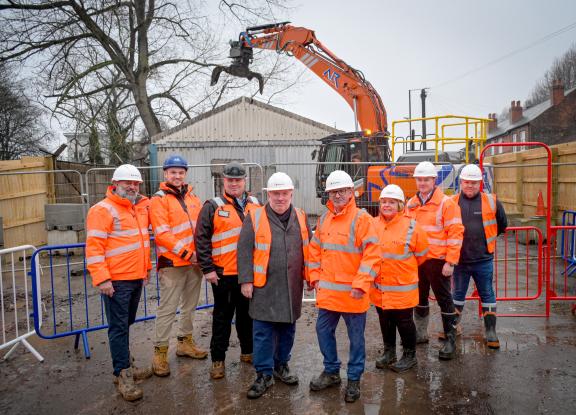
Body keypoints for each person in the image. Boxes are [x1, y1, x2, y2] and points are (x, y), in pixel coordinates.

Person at [308, 170, 380, 403]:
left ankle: (354, 378)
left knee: (356, 339)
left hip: (353, 294)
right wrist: (314, 277)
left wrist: (361, 284)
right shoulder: (324, 219)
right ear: (328, 194)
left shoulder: (362, 219)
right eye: (333, 191)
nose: (338, 195)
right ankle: (331, 371)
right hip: (329, 293)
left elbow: (373, 255)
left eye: (342, 191)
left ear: (351, 192)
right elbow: (314, 250)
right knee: (322, 331)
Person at [237, 172, 311, 399]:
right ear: (268, 194)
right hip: (264, 287)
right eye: (276, 193)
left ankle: (281, 366)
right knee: (263, 333)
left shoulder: (300, 215)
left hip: (291, 286)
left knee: (287, 330)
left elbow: (309, 248)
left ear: (291, 193)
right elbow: (244, 250)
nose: (280, 198)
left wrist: (310, 277)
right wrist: (246, 280)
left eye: (284, 193)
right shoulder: (255, 216)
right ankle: (264, 374)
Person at [85, 164, 153, 401]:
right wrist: (102, 279)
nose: (132, 187)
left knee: (126, 323)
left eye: (136, 184)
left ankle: (126, 365)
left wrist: (146, 270)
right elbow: (94, 248)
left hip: (134, 278)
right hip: (116, 281)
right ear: (115, 184)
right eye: (128, 183)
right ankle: (122, 374)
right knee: (118, 327)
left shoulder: (137, 208)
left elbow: (143, 242)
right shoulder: (102, 210)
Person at [194, 161, 261, 379]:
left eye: (238, 180)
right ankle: (218, 360)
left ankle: (247, 352)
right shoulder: (212, 206)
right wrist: (207, 269)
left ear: (244, 181)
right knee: (222, 317)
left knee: (246, 316)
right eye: (230, 180)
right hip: (224, 274)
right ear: (223, 181)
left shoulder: (255, 204)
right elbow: (201, 239)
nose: (234, 184)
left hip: (248, 274)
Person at [149, 155, 208, 377]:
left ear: (185, 174)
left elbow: (203, 227)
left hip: (194, 263)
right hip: (173, 263)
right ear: (165, 173)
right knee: (167, 309)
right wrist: (188, 254)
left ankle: (185, 342)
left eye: (180, 172)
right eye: (172, 172)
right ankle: (160, 352)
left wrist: (200, 254)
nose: (177, 176)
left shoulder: (193, 197)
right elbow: (162, 234)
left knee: (190, 305)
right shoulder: (159, 199)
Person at [406, 161, 464, 360]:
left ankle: (450, 340)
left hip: (439, 261)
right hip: (417, 262)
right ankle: (421, 335)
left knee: (445, 301)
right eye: (419, 179)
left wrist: (451, 262)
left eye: (426, 179)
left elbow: (456, 233)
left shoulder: (446, 203)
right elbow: (407, 233)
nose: (422, 183)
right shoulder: (411, 204)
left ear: (434, 180)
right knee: (419, 299)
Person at [371, 185, 428, 373]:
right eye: (384, 202)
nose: (387, 205)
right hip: (380, 287)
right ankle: (389, 353)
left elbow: (422, 254)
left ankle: (410, 356)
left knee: (404, 322)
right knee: (384, 319)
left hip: (402, 287)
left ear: (400, 204)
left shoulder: (412, 225)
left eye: (391, 202)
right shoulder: (372, 224)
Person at [451, 164, 507, 349]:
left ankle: (491, 331)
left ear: (480, 183)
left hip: (483, 260)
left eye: (474, 183)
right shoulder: (451, 202)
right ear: (461, 182)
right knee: (457, 294)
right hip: (459, 260)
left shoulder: (491, 201)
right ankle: (453, 327)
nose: (470, 186)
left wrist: (485, 242)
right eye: (467, 182)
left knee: (487, 294)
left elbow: (502, 225)